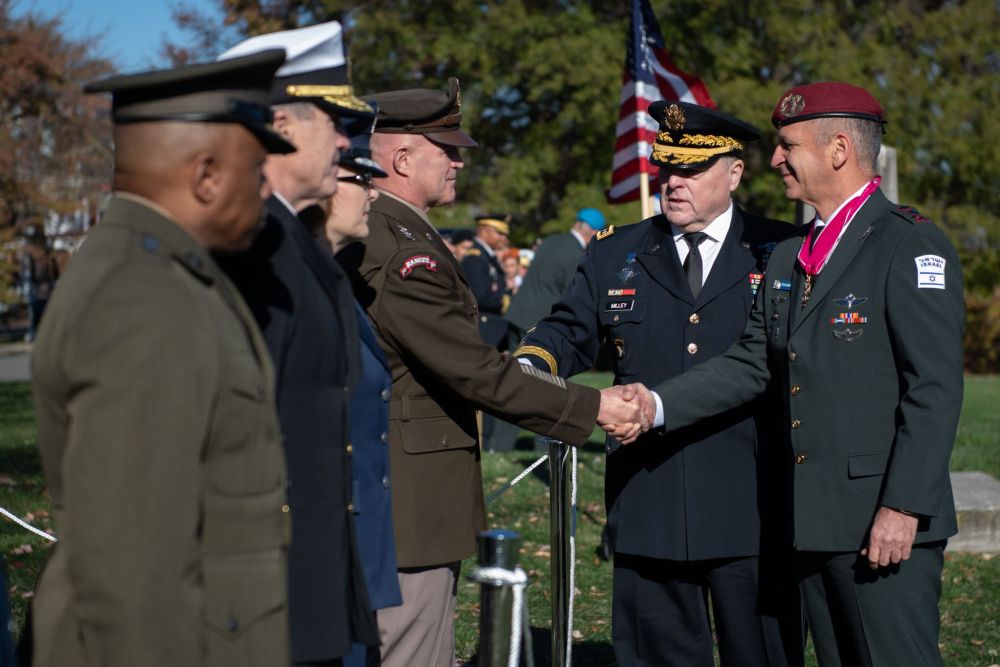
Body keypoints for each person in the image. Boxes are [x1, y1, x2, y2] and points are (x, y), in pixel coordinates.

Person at [632, 82, 964, 667]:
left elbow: (933, 390)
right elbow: (752, 361)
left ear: (838, 149)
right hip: (811, 523)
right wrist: (654, 405)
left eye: (787, 145)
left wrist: (904, 507)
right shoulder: (790, 256)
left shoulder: (909, 245)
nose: (776, 159)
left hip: (881, 523)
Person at [350, 77, 648, 667]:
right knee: (413, 649)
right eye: (448, 149)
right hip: (409, 502)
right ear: (403, 159)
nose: (459, 161)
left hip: (398, 492)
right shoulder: (397, 241)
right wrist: (593, 409)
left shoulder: (390, 229)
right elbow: (472, 369)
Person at [29, 50, 296, 667]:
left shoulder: (164, 274)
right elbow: (131, 568)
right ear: (206, 175)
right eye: (256, 170)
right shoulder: (142, 297)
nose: (264, 190)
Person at [516, 101, 799, 667]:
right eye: (665, 170)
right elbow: (567, 331)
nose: (673, 184)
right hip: (650, 498)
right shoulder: (615, 251)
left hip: (754, 501)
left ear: (735, 173)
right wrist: (530, 368)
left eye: (691, 171)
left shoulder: (782, 250)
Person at [216, 22, 379, 666]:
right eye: (330, 122)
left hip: (308, 580)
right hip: (266, 593)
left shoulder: (289, 240)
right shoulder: (255, 246)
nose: (345, 140)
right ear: (280, 125)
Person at [306, 105, 404, 667]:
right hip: (318, 563)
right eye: (359, 177)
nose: (373, 191)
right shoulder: (303, 279)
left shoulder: (333, 276)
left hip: (351, 557)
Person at [506, 207, 606, 341]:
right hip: (536, 322)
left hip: (516, 314)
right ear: (594, 232)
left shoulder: (550, 240)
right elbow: (571, 294)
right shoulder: (576, 254)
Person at [461, 214, 513, 350]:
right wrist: (503, 300)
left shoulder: (486, 256)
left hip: (494, 325)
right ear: (484, 231)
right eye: (500, 233)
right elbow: (480, 296)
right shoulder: (476, 257)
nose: (504, 238)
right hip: (485, 325)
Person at [19, 228, 58, 342]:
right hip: (35, 290)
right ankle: (34, 333)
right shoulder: (29, 258)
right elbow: (28, 275)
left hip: (46, 289)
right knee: (35, 313)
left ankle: (47, 334)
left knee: (47, 313)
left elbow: (54, 272)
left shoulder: (48, 256)